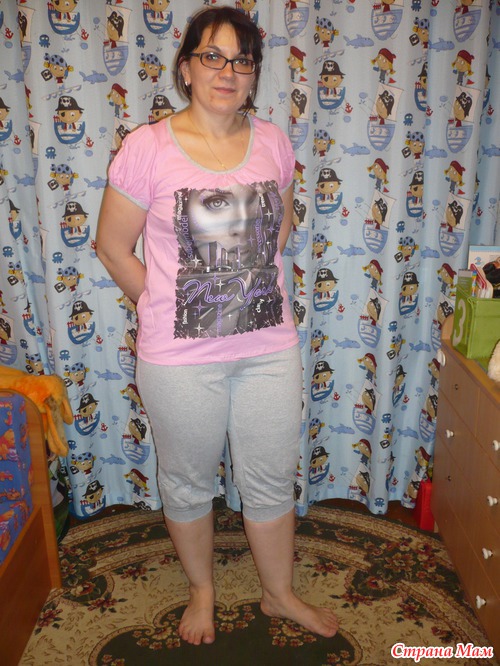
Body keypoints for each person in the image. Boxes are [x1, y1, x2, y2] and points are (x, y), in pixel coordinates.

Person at [96, 5, 338, 646]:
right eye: (213, 56)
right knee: (186, 480)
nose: (228, 71)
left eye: (242, 60)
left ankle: (279, 593)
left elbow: (281, 224)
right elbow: (111, 248)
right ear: (186, 68)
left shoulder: (274, 142)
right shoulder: (147, 147)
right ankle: (202, 592)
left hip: (268, 350)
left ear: (253, 74)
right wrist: (163, 303)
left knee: (271, 476)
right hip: (179, 361)